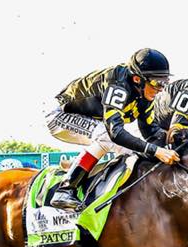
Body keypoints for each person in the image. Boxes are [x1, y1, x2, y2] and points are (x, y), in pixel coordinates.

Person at [47, 48, 179, 210]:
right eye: (157, 83)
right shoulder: (118, 85)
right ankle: (65, 190)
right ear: (137, 79)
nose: (161, 89)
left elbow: (150, 131)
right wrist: (155, 150)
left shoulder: (144, 93)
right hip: (60, 115)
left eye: (165, 83)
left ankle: (83, 169)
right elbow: (115, 133)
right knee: (108, 137)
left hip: (91, 119)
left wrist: (171, 144)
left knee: (133, 146)